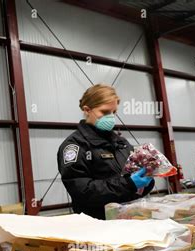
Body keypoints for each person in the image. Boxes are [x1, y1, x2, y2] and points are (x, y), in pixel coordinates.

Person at [57, 84, 154, 219]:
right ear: (87, 110)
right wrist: (129, 184)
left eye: (114, 112)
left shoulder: (121, 143)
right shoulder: (75, 146)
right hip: (96, 224)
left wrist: (147, 180)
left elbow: (135, 180)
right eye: (105, 112)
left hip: (129, 218)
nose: (111, 117)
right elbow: (82, 191)